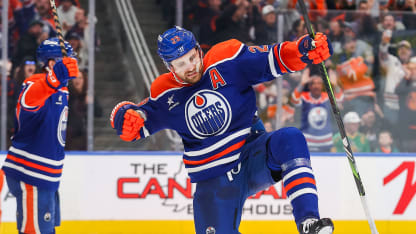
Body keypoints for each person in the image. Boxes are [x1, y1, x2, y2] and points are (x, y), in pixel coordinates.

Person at [110, 26, 334, 234]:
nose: (190, 67)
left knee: (290, 138)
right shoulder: (164, 92)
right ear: (169, 67)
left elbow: (273, 58)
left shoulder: (227, 59)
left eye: (192, 57)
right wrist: (124, 115)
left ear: (199, 50)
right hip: (214, 181)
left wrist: (304, 49)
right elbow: (136, 122)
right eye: (180, 64)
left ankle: (309, 222)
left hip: (252, 155)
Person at [1, 37, 78, 234]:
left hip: (45, 176)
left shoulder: (61, 89)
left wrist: (56, 79)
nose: (73, 64)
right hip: (31, 175)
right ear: (52, 63)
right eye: (67, 60)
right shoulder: (36, 83)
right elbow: (28, 101)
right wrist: (54, 77)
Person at [291, 67, 343, 152]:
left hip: (326, 141)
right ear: (309, 86)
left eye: (319, 83)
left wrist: (335, 84)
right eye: (313, 83)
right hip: (309, 141)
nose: (316, 86)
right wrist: (302, 83)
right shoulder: (304, 96)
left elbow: (340, 99)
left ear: (322, 86)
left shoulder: (327, 96)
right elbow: (294, 100)